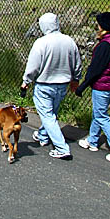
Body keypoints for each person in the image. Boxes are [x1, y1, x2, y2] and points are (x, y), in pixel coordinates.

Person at [21, 12, 82, 160]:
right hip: (63, 84)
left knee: (47, 115)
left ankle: (61, 148)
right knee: (51, 113)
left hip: (44, 84)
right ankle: (43, 135)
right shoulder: (69, 41)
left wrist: (26, 81)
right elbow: (77, 62)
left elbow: (33, 66)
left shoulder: (41, 43)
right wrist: (76, 78)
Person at [75, 12, 110, 163]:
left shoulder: (105, 45)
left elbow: (95, 69)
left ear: (103, 26)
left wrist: (83, 86)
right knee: (98, 111)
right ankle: (92, 140)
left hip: (103, 85)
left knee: (101, 116)